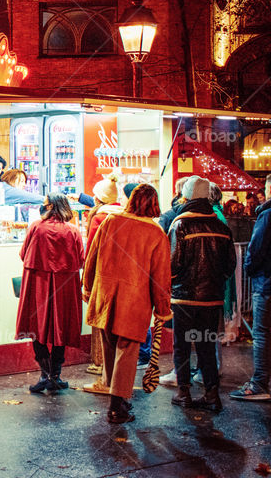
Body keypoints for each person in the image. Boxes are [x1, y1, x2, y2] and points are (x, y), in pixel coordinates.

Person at [83, 184, 172, 424]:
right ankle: (117, 406)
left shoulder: (110, 221)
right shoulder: (156, 234)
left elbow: (91, 257)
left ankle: (117, 397)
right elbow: (160, 278)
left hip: (105, 296)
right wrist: (163, 310)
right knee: (128, 351)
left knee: (110, 346)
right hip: (134, 301)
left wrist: (88, 288)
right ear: (154, 203)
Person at [168, 176, 236, 412]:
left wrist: (174, 285)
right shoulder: (221, 227)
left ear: (186, 196)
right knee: (207, 345)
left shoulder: (181, 224)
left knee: (183, 345)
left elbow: (173, 264)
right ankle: (211, 393)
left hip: (184, 298)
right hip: (212, 298)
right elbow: (230, 266)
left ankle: (184, 392)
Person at [15, 193, 84, 394]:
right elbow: (81, 258)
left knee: (36, 325)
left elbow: (23, 254)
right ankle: (55, 375)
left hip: (38, 283)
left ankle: (45, 374)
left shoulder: (36, 227)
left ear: (50, 206)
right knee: (61, 326)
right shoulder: (73, 231)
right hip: (65, 285)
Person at [83, 177, 124, 382]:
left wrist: (86, 282)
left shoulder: (99, 217)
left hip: (102, 275)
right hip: (123, 277)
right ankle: (115, 372)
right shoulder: (125, 214)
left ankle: (101, 366)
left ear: (99, 197)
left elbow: (91, 250)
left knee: (101, 320)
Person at [231, 193, 271, 401]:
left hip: (266, 284)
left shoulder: (267, 216)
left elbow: (255, 251)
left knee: (262, 333)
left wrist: (249, 268)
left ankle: (260, 383)